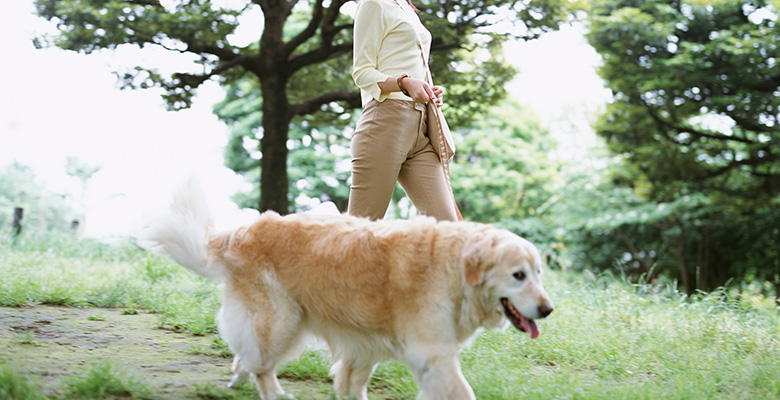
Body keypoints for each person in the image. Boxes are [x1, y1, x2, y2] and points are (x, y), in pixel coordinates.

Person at [348, 0, 459, 221]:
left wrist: (429, 89)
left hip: (421, 124)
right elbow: (361, 72)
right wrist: (404, 83)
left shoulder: (406, 8)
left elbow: (410, 62)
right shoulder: (373, 4)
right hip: (385, 122)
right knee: (360, 230)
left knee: (447, 227)